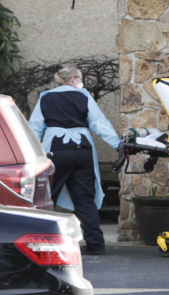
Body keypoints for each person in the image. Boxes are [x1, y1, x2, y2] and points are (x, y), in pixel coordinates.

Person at [29, 65, 121, 255]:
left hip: (56, 150)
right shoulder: (84, 96)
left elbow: (35, 127)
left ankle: (40, 244)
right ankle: (96, 244)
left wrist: (27, 151)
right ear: (73, 79)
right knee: (84, 198)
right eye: (80, 78)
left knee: (47, 196)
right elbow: (99, 123)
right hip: (82, 150)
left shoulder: (46, 97)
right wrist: (118, 144)